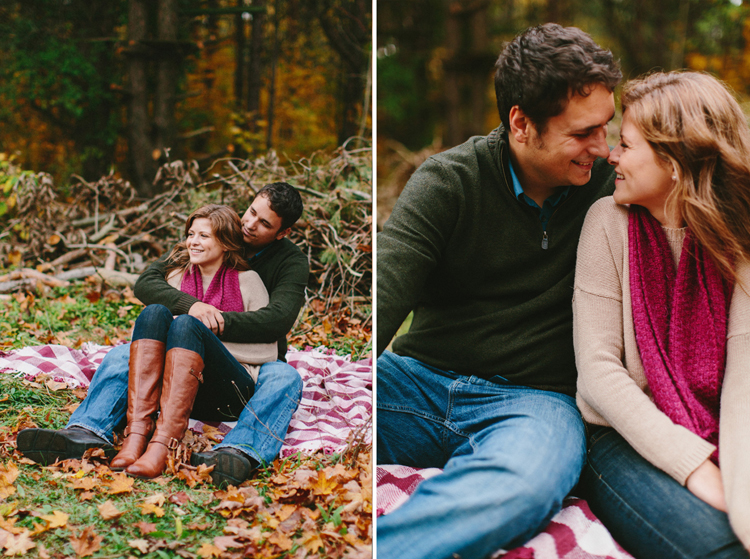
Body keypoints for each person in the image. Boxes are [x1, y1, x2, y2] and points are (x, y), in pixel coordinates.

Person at [376, 23, 621, 559]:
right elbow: (384, 297)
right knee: (299, 389)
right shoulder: (448, 182)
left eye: (606, 126)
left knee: (525, 484)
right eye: (583, 133)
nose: (603, 148)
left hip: (532, 402)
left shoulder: (613, 186)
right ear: (521, 123)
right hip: (415, 383)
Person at [18, 182, 309, 487]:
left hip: (237, 366)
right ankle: (86, 432)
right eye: (250, 212)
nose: (249, 224)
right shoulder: (215, 229)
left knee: (284, 377)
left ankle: (238, 453)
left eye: (263, 223)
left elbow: (277, 320)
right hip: (178, 364)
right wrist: (192, 306)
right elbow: (147, 282)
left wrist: (209, 324)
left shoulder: (288, 262)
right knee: (122, 353)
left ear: (282, 232)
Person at [574, 71, 750, 558]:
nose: (612, 156)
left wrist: (741, 498)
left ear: (674, 162)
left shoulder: (738, 243)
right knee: (715, 547)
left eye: (626, 146)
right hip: (621, 437)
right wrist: (696, 468)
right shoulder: (606, 224)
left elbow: (743, 388)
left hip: (722, 426)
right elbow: (598, 375)